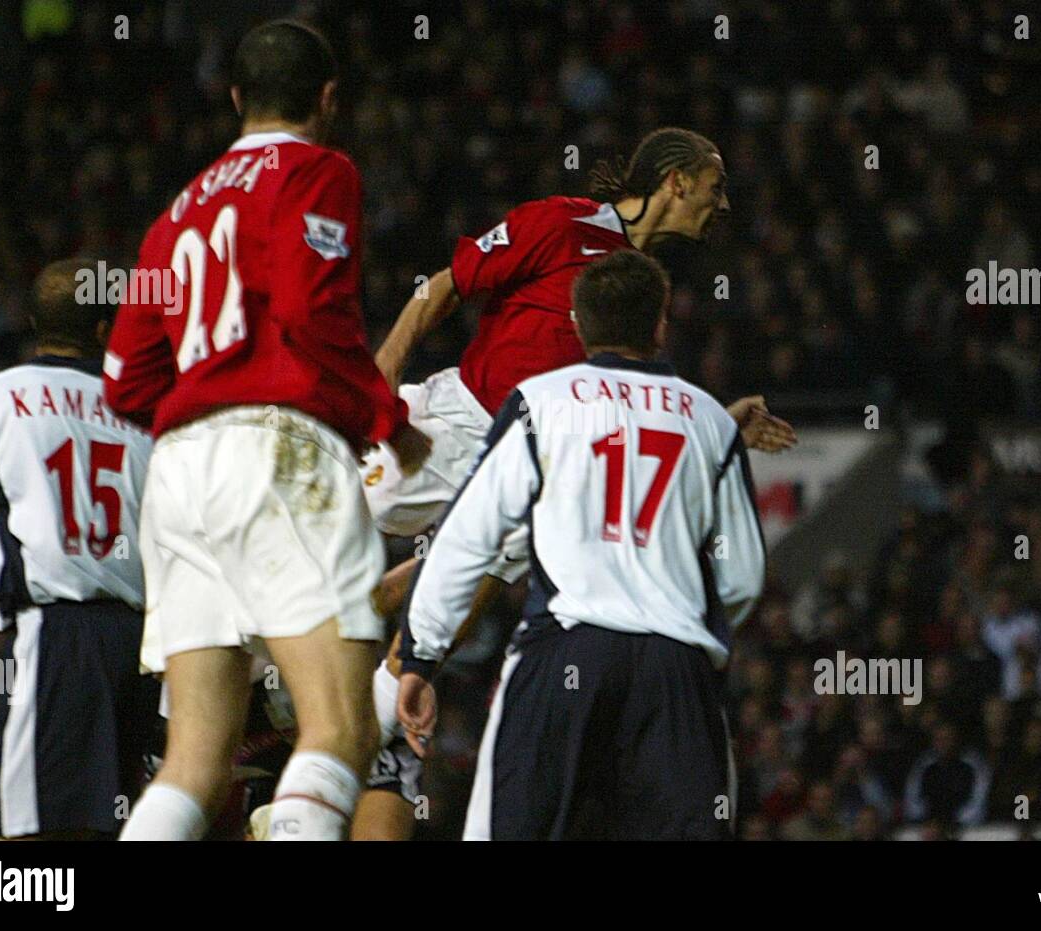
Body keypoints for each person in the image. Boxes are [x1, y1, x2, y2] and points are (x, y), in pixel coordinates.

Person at [352, 127, 794, 839]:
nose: (725, 202)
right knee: (323, 515)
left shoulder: (639, 294)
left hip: (526, 460)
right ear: (676, 180)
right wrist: (376, 392)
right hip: (450, 425)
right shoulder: (563, 222)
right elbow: (441, 290)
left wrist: (718, 421)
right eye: (716, 184)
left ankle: (363, 716)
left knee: (502, 553)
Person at [105, 20, 428, 841]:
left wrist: (199, 418)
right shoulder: (319, 170)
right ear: (328, 100)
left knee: (193, 761)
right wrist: (388, 421)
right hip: (279, 445)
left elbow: (124, 376)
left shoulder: (177, 208)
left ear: (238, 98)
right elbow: (310, 307)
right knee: (342, 727)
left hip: (179, 468)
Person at [397, 250, 766, 839]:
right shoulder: (711, 422)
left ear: (576, 322)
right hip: (675, 670)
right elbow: (743, 577)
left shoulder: (543, 400)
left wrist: (421, 655)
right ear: (661, 323)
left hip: (565, 655)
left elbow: (467, 537)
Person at [0, 257, 157, 839]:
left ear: (32, 322)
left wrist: (33, 561)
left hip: (56, 642)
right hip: (148, 645)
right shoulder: (151, 414)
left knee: (11, 842)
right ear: (108, 330)